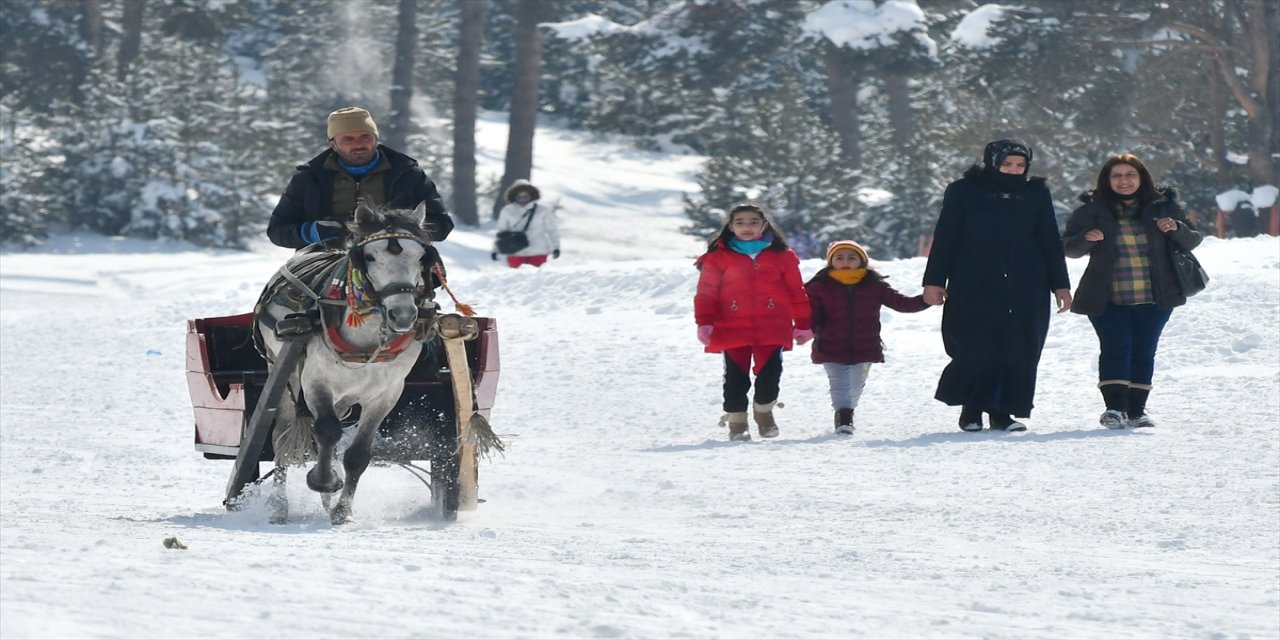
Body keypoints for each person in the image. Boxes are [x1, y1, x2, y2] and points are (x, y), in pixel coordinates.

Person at [922, 139, 1072, 432]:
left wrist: (1060, 285)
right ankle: (972, 409)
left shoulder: (1035, 193)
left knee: (1019, 348)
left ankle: (1002, 412)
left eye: (1020, 165)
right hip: (974, 280)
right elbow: (947, 237)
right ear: (992, 163)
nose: (1013, 170)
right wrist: (934, 281)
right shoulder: (964, 191)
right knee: (976, 346)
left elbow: (1049, 240)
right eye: (1007, 164)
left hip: (1027, 283)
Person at [1061, 153, 1202, 429]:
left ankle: (1137, 410)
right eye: (1117, 176)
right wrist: (1085, 239)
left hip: (1156, 295)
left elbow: (1193, 240)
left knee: (1144, 350)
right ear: (1107, 180)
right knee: (1115, 347)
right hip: (1107, 296)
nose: (1123, 181)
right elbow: (1067, 247)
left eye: (1130, 175)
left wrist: (1176, 228)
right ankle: (1114, 409)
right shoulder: (1091, 210)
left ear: (1141, 178)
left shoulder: (1164, 207)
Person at [694, 203, 812, 441]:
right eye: (740, 222)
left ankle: (764, 413)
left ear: (764, 225)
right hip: (731, 327)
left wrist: (803, 323)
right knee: (736, 378)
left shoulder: (782, 255)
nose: (746, 227)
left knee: (771, 374)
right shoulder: (718, 256)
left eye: (753, 222)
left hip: (773, 325)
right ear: (730, 226)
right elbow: (707, 292)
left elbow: (796, 291)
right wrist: (704, 321)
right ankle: (737, 424)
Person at [267, 106, 454, 249]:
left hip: (395, 255)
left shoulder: (408, 174)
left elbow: (442, 225)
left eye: (365, 136)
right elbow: (277, 230)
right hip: (324, 257)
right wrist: (312, 232)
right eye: (348, 139)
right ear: (333, 144)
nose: (358, 144)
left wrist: (404, 228)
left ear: (376, 139)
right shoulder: (308, 179)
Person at [805, 240, 932, 435]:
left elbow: (901, 303)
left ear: (862, 261)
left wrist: (926, 300)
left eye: (851, 257)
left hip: (865, 346)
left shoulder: (874, 285)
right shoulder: (818, 286)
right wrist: (802, 329)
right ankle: (843, 418)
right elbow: (810, 315)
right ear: (831, 261)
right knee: (839, 384)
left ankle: (848, 409)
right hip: (830, 345)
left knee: (855, 387)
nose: (845, 261)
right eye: (839, 258)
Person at [490, 179, 561, 268]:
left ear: (531, 196)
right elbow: (501, 232)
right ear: (514, 196)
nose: (522, 200)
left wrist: (556, 248)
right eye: (519, 197)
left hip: (538, 251)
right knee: (517, 279)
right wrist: (495, 249)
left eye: (525, 197)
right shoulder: (507, 211)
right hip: (515, 251)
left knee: (537, 278)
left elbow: (551, 230)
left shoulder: (543, 210)